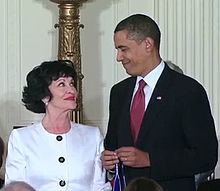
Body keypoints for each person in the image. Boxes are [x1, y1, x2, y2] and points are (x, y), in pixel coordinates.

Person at [102, 14, 218, 191]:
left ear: (148, 44)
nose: (119, 57)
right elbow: (112, 145)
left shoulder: (187, 90)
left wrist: (150, 159)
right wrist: (108, 162)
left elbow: (205, 156)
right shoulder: (119, 92)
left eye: (124, 49)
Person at [5, 60, 111, 191]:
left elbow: (100, 186)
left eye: (72, 83)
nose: (71, 90)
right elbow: (14, 187)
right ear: (44, 96)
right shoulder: (21, 138)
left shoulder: (92, 136)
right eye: (62, 84)